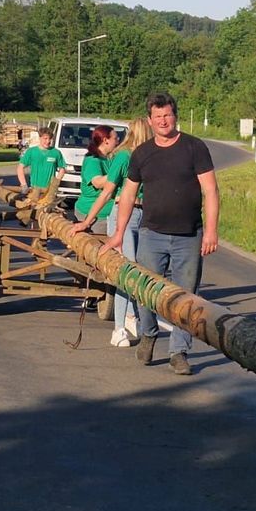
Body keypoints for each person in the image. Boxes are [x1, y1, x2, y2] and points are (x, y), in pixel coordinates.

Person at [103, 92, 219, 375]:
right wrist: (118, 233)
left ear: (175, 116)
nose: (163, 121)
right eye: (158, 117)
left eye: (167, 115)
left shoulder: (194, 148)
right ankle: (149, 333)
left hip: (189, 236)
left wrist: (211, 232)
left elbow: (211, 190)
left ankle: (178, 352)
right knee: (145, 291)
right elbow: (128, 194)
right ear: (150, 121)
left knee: (186, 298)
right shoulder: (142, 154)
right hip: (151, 234)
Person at [72, 117, 152, 347]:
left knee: (141, 269)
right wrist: (87, 221)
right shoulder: (125, 157)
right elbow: (106, 192)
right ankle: (119, 328)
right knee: (126, 268)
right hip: (123, 214)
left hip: (145, 215)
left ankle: (131, 315)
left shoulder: (149, 156)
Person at [72, 125, 118, 234]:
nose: (118, 142)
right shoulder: (93, 160)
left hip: (107, 214)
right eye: (115, 138)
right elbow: (97, 183)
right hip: (95, 217)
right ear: (105, 140)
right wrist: (118, 172)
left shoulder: (109, 158)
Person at [17, 127, 65, 193]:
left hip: (49, 191)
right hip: (34, 190)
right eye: (45, 139)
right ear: (40, 138)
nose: (48, 141)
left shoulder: (56, 152)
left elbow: (62, 169)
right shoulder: (31, 152)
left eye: (50, 139)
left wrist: (55, 184)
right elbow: (20, 167)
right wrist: (24, 185)